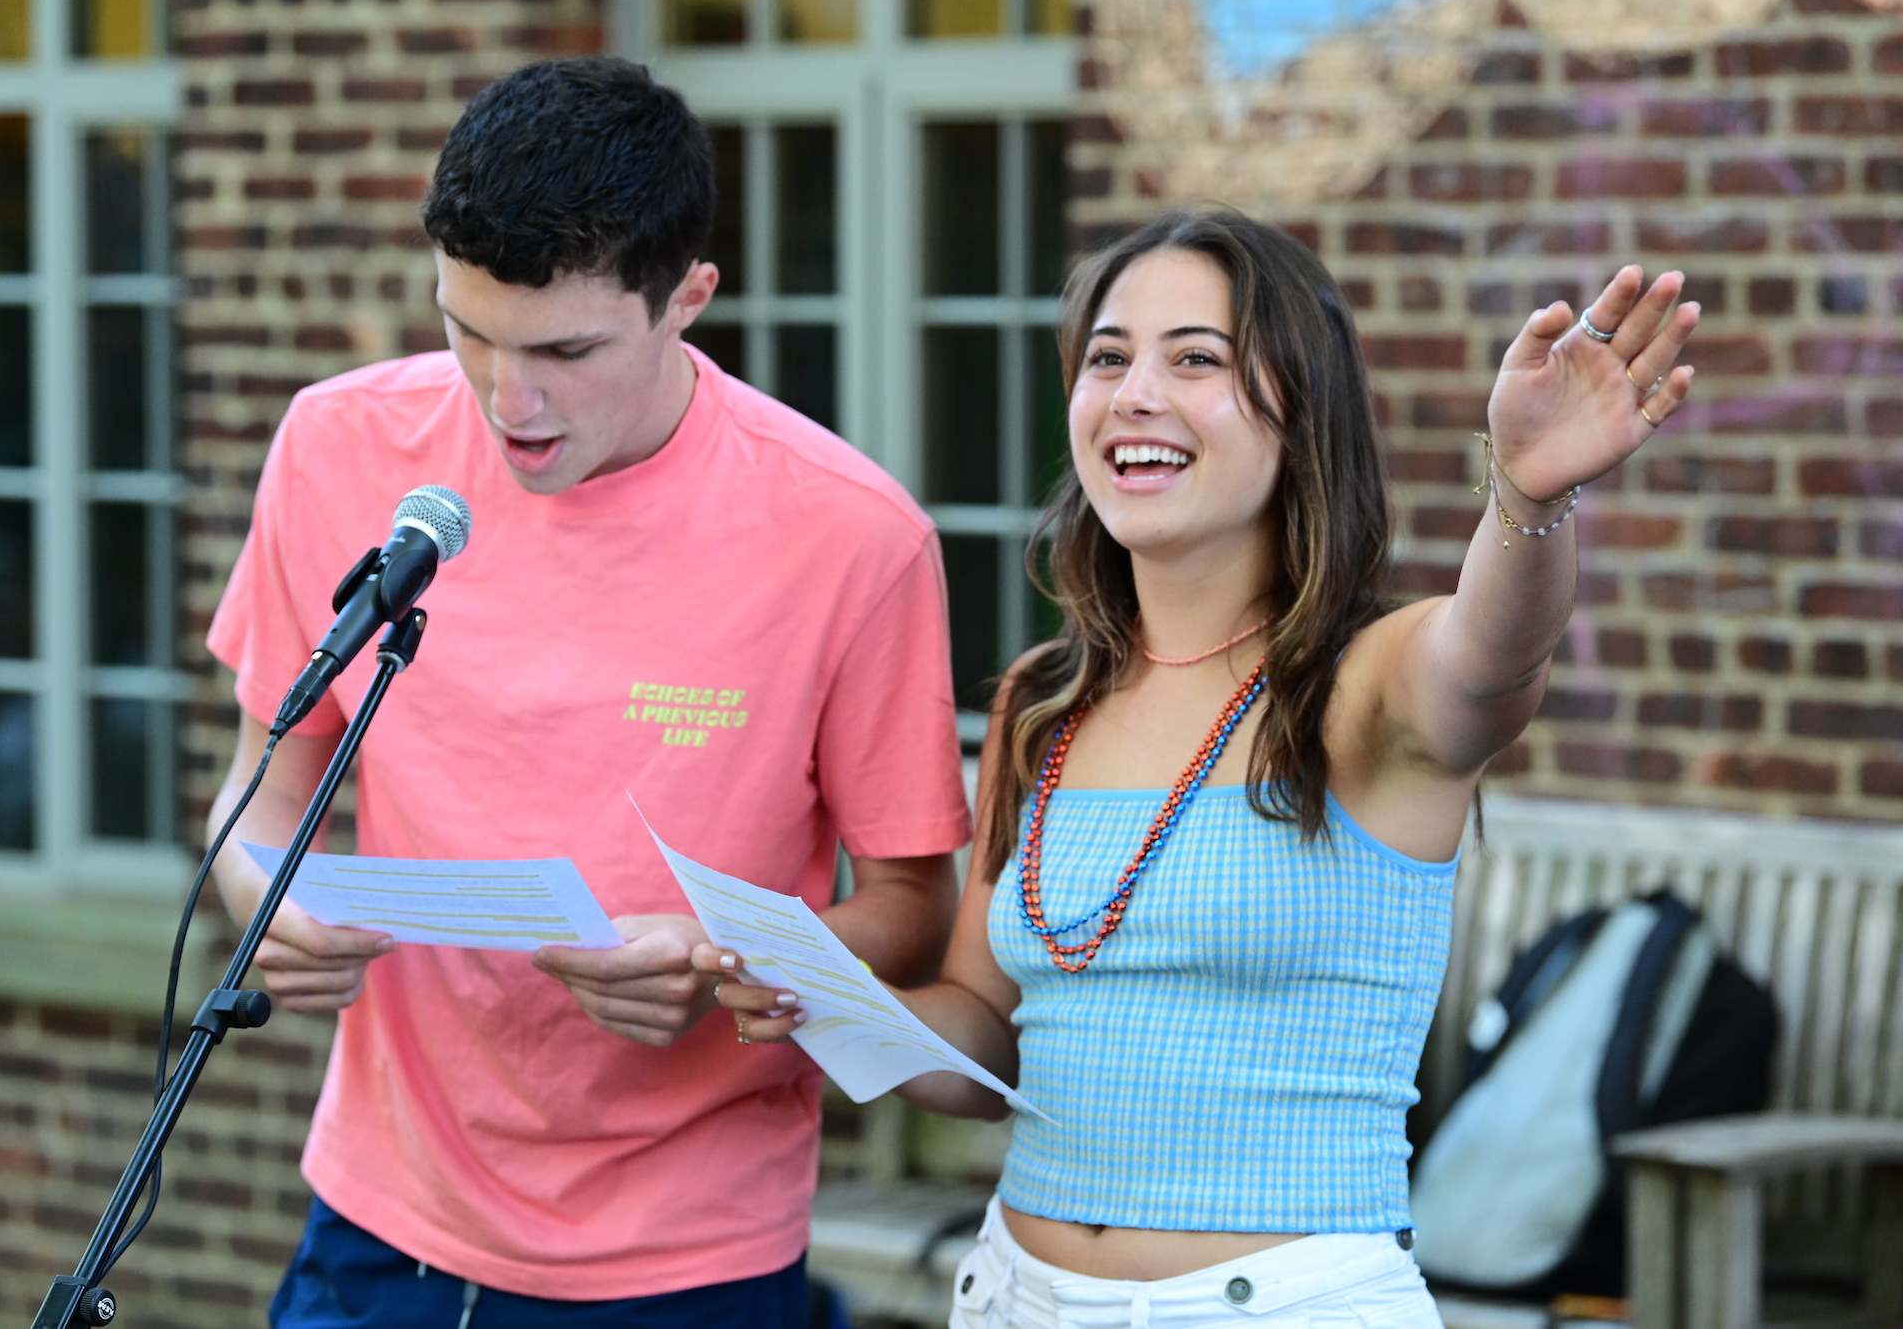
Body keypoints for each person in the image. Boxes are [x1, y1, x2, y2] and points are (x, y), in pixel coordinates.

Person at [705, 207, 1701, 1327]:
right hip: (1012, 1293)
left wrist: (1525, 498)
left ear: (1299, 410)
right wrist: (827, 999)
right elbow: (986, 1035)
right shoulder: (1043, 699)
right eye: (1106, 357)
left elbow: (1493, 656)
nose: (1134, 393)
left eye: (1195, 359)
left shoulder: (1370, 679)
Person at [204, 56, 971, 1327]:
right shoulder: (338, 447)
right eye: (468, 333)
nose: (512, 402)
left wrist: (726, 964)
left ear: (688, 300)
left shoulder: (851, 536)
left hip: (689, 1258)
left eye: (565, 349)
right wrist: (260, 897)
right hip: (380, 1223)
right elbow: (259, 795)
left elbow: (905, 909)